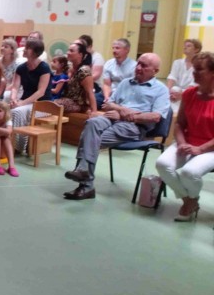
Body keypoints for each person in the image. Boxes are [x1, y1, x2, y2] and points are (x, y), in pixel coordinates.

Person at [63, 53, 170, 201]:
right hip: (112, 118)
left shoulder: (161, 90)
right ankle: (84, 173)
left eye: (144, 66)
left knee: (89, 139)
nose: (138, 67)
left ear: (155, 71)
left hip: (135, 126)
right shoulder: (125, 83)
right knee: (92, 123)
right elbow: (108, 104)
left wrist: (123, 115)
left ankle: (85, 184)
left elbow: (155, 117)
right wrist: (121, 110)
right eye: (138, 63)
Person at [155, 52, 214, 221]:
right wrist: (181, 143)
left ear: (212, 73)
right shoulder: (189, 94)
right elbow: (180, 123)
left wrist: (200, 149)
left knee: (189, 172)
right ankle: (190, 200)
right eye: (194, 69)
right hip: (187, 143)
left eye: (199, 70)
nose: (194, 73)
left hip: (210, 148)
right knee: (163, 164)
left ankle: (190, 202)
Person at [9, 38, 51, 152]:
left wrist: (21, 103)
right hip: (27, 102)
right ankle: (7, 142)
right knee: (4, 107)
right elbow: (15, 87)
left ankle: (17, 146)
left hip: (42, 105)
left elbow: (41, 92)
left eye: (27, 48)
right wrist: (13, 99)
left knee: (16, 112)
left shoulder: (44, 68)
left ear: (34, 52)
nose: (24, 49)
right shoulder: (21, 68)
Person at [52, 41, 97, 114]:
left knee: (52, 104)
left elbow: (90, 92)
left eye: (71, 51)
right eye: (68, 50)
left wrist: (94, 112)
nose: (68, 53)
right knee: (45, 100)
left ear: (80, 54)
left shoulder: (84, 71)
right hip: (64, 99)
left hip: (78, 104)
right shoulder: (67, 68)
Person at [167, 38, 203, 112]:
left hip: (191, 92)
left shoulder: (200, 65)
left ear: (196, 49)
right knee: (174, 90)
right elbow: (172, 77)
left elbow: (194, 84)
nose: (185, 47)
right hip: (175, 91)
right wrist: (168, 91)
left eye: (189, 46)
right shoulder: (177, 62)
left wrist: (182, 94)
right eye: (184, 46)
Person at [102, 38, 136, 103]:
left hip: (126, 96)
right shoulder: (108, 63)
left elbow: (133, 87)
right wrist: (107, 98)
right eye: (113, 48)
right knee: (93, 100)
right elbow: (107, 84)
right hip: (110, 94)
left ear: (127, 50)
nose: (114, 51)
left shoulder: (134, 66)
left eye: (117, 48)